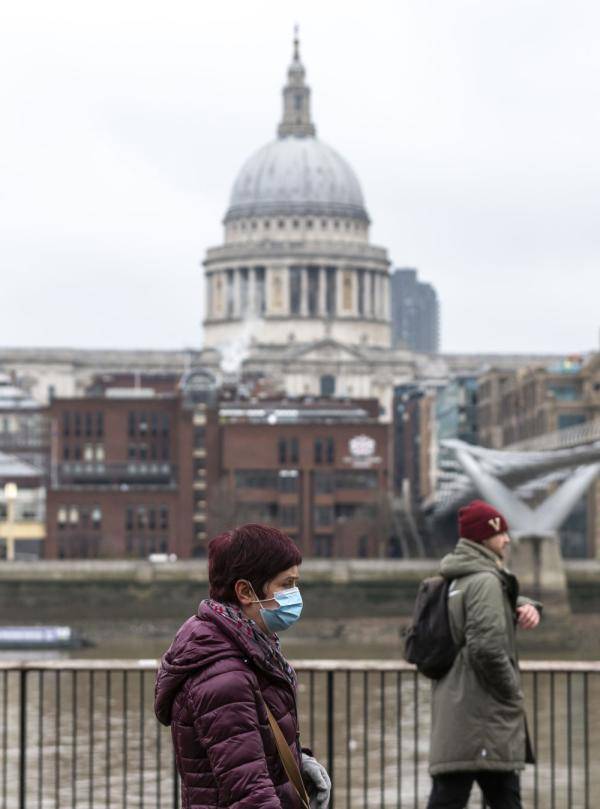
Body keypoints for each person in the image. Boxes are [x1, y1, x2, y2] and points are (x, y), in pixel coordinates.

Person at [154, 523, 331, 809]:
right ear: (246, 592)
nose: (295, 595)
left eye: (296, 583)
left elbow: (251, 749)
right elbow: (250, 793)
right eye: (286, 584)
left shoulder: (248, 652)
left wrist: (298, 763)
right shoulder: (224, 676)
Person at [427, 500, 541, 809]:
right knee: (502, 799)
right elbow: (486, 648)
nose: (507, 539)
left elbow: (481, 615)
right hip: (485, 720)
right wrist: (511, 692)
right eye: (501, 532)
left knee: (447, 797)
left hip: (456, 711)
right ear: (483, 537)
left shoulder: (457, 577)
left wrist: (524, 604)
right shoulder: (485, 580)